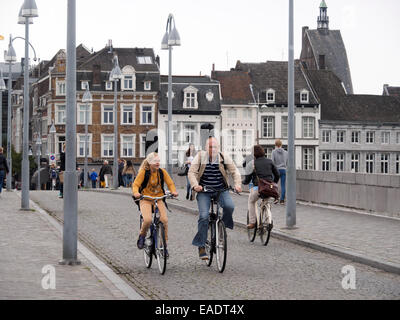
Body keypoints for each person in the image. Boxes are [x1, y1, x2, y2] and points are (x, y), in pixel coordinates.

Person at [188, 137, 242, 260]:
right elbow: (191, 172)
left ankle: (222, 228)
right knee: (204, 216)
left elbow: (235, 172)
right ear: (206, 147)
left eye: (215, 147)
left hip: (221, 190)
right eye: (210, 147)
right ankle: (201, 245)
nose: (213, 149)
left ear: (219, 148)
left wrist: (238, 184)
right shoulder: (200, 156)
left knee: (229, 206)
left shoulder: (223, 157)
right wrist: (195, 185)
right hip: (204, 191)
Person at [132, 152, 178, 256]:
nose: (157, 163)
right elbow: (136, 184)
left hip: (159, 199)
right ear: (149, 162)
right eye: (155, 161)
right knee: (147, 220)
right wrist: (136, 193)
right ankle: (142, 236)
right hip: (146, 199)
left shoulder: (161, 172)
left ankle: (163, 246)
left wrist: (173, 191)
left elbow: (170, 183)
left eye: (158, 161)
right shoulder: (144, 172)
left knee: (164, 220)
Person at [242, 145, 280, 230]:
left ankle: (252, 222)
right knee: (266, 200)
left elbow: (247, 179)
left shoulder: (251, 164)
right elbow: (277, 174)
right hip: (270, 188)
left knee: (251, 201)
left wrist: (243, 182)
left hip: (258, 189)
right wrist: (273, 183)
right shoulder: (270, 161)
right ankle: (268, 218)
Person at [271, 139, 288, 204]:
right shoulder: (286, 152)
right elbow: (287, 163)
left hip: (276, 171)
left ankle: (276, 198)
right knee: (283, 185)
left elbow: (272, 162)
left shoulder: (273, 152)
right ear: (281, 145)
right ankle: (282, 200)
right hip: (283, 170)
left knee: (274, 185)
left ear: (275, 145)